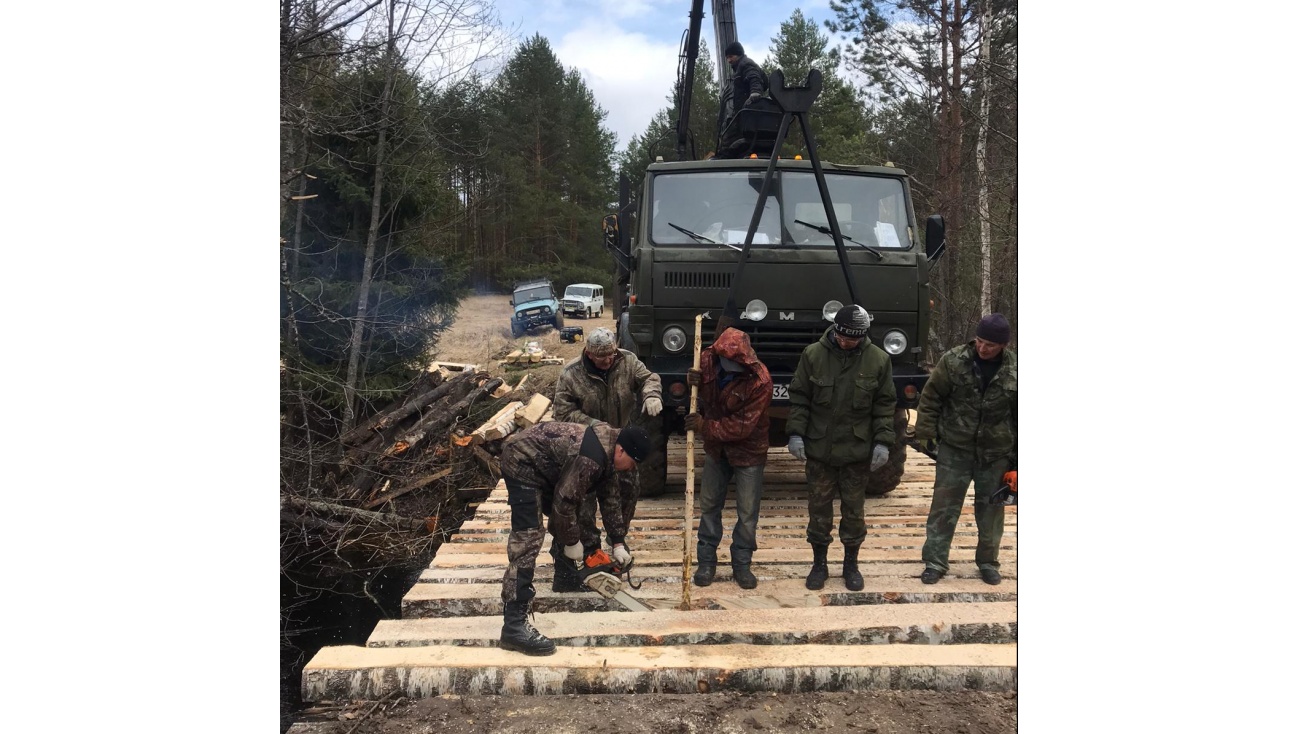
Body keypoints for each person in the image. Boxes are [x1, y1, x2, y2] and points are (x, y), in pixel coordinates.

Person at [497, 422, 652, 656]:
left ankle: (566, 577)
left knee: (574, 508)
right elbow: (564, 502)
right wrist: (572, 542)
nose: (631, 469)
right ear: (621, 451)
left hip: (547, 466)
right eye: (632, 462)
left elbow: (610, 497)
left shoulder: (609, 452)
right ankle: (513, 626)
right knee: (528, 536)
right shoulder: (591, 457)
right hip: (522, 462)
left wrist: (618, 541)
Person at [786, 305, 897, 592]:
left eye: (854, 339)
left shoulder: (878, 360)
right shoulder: (813, 355)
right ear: (835, 331)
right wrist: (796, 434)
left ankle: (851, 564)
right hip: (820, 450)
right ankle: (819, 563)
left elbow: (885, 406)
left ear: (863, 336)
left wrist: (883, 441)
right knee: (818, 510)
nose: (847, 342)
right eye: (843, 337)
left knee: (854, 512)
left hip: (856, 451)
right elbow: (799, 398)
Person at [552, 327, 663, 583]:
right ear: (589, 354)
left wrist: (651, 394)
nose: (608, 360)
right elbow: (562, 413)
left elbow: (649, 378)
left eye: (611, 354)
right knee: (586, 502)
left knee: (626, 493)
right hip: (587, 449)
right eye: (602, 357)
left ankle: (618, 543)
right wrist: (596, 426)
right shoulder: (571, 374)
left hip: (621, 447)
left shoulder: (628, 361)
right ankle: (591, 549)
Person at [914, 313, 1017, 586]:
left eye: (991, 345)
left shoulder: (1017, 370)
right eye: (980, 341)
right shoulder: (953, 360)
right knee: (943, 508)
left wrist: (1017, 460)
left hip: (996, 454)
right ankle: (935, 562)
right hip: (955, 449)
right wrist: (925, 433)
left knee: (991, 512)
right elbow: (931, 397)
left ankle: (988, 562)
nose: (983, 348)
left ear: (1004, 345)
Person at [683, 327, 772, 589]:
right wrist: (693, 380)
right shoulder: (707, 359)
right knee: (709, 505)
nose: (729, 365)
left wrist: (703, 426)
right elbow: (702, 393)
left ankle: (742, 564)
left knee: (747, 513)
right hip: (716, 450)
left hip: (748, 451)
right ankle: (706, 562)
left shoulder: (760, 380)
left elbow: (740, 428)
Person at [716, 41, 769, 159]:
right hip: (742, 112)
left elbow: (754, 77)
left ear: (738, 54)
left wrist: (755, 92)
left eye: (731, 56)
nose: (729, 60)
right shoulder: (738, 68)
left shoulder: (746, 64)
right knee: (733, 138)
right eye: (727, 58)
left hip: (746, 112)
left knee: (733, 139)